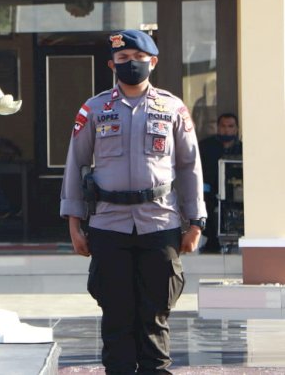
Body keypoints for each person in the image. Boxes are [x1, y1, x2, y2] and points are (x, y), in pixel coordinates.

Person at [60, 29, 207, 374]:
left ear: (152, 62)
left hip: (161, 222)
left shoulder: (172, 108)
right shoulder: (94, 108)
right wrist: (74, 225)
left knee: (156, 314)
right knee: (116, 314)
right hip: (108, 224)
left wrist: (196, 222)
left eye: (138, 58)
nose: (130, 64)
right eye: (122, 59)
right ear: (112, 64)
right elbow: (75, 164)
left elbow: (189, 167)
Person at [198, 113, 242, 253]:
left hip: (233, 190)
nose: (226, 130)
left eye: (230, 126)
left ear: (236, 129)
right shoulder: (205, 146)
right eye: (223, 126)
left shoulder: (241, 148)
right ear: (218, 127)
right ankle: (211, 243)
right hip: (208, 189)